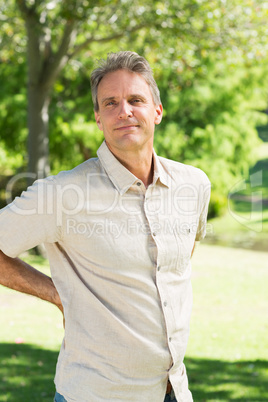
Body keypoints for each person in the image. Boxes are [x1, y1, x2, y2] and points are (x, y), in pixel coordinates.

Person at [0, 51, 210, 402]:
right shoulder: (63, 194)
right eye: (110, 103)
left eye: (135, 100)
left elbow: (176, 266)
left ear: (157, 111)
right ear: (98, 118)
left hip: (175, 391)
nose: (124, 111)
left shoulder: (194, 185)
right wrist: (56, 294)